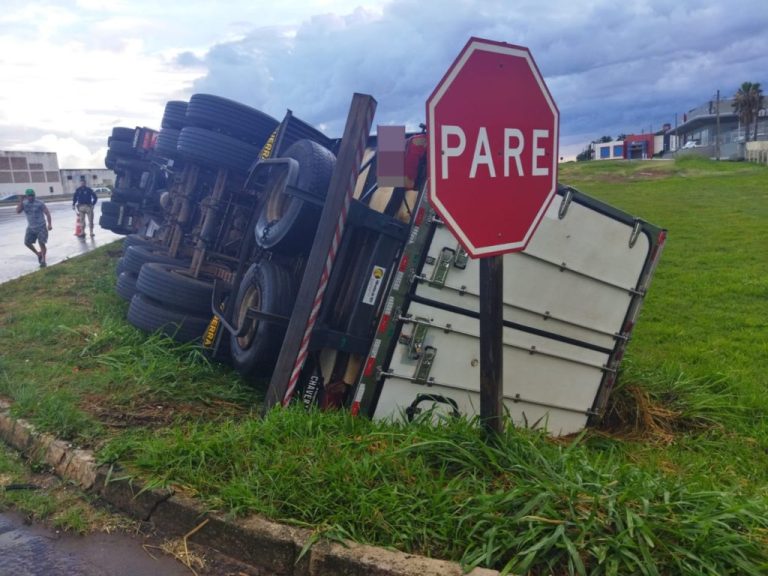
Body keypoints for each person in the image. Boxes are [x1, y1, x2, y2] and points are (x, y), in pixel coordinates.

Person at [16, 188, 53, 268]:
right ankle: (38, 254)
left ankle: (43, 260)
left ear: (34, 195)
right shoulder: (24, 203)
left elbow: (47, 213)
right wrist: (21, 201)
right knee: (27, 243)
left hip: (41, 226)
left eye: (32, 195)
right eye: (29, 196)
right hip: (31, 227)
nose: (31, 197)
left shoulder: (40, 203)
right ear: (26, 196)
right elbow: (18, 211)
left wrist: (49, 224)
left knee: (41, 243)